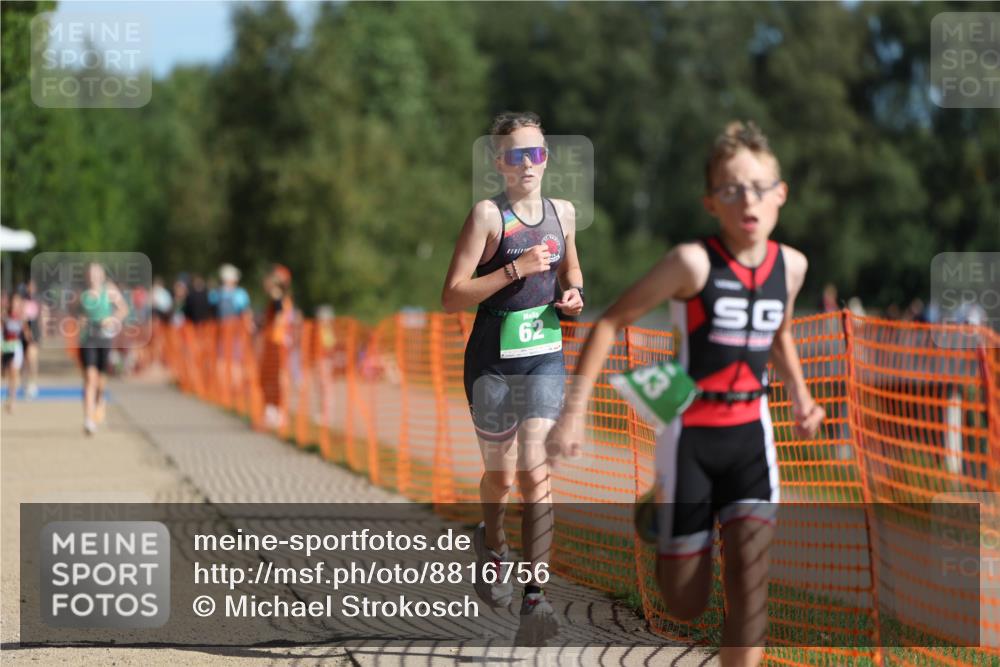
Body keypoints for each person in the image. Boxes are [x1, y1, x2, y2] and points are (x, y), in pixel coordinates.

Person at [546, 121, 825, 666]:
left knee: (750, 588)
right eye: (731, 189)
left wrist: (801, 395)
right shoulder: (691, 263)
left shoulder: (792, 267)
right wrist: (573, 413)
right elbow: (610, 323)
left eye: (760, 187)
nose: (748, 199)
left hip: (752, 435)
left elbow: (780, 333)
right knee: (685, 603)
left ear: (780, 195)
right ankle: (663, 517)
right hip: (691, 437)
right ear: (711, 203)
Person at [441, 111, 584, 644]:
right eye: (516, 154)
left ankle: (536, 596)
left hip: (544, 351)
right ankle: (493, 544)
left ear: (547, 158)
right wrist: (511, 271)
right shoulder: (488, 217)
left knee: (535, 467)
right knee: (500, 478)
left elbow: (571, 269)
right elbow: (452, 294)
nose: (528, 163)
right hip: (491, 360)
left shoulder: (563, 212)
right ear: (498, 161)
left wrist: (573, 294)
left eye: (537, 153)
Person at [78, 263, 129, 435]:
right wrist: (81, 319)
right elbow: (77, 314)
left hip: (104, 338)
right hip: (88, 338)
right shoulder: (83, 294)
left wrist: (112, 318)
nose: (93, 276)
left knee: (100, 380)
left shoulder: (109, 290)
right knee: (89, 378)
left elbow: (123, 309)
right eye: (90, 273)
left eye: (96, 273)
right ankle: (88, 419)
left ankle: (100, 402)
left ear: (102, 275)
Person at [261, 264, 294, 429]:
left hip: (276, 343)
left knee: (275, 378)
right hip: (276, 342)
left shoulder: (277, 296)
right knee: (271, 378)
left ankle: (277, 412)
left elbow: (280, 314)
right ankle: (273, 411)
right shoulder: (282, 298)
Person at [2, 292, 31, 412]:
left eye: (17, 302)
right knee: (5, 374)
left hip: (16, 347)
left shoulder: (21, 318)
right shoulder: (4, 316)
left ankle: (12, 400)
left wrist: (29, 338)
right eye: (13, 301)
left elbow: (26, 333)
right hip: (5, 347)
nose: (15, 304)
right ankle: (9, 394)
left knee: (14, 373)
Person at [20, 281, 41, 399]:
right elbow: (22, 318)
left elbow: (42, 317)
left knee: (32, 358)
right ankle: (25, 382)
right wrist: (26, 331)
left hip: (35, 332)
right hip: (25, 332)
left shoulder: (38, 301)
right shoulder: (23, 301)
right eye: (29, 285)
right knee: (26, 359)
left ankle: (33, 384)